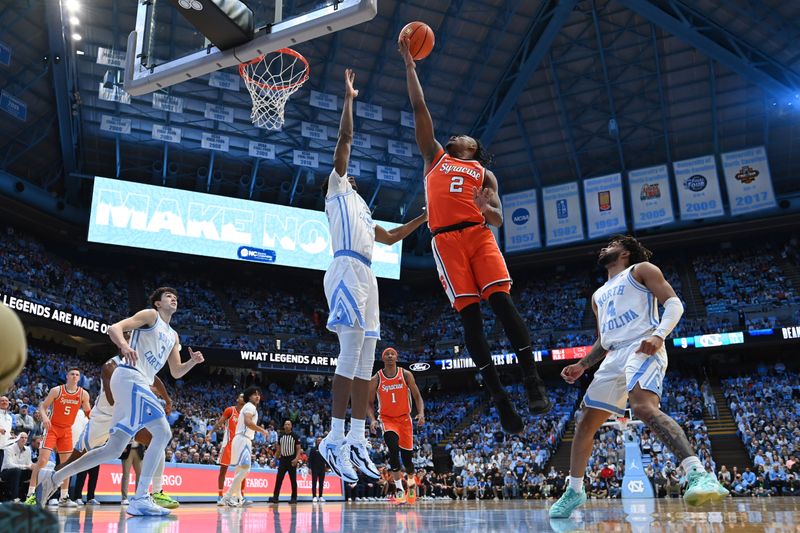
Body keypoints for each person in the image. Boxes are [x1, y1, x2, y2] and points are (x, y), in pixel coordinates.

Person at [398, 36, 550, 435]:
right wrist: (410, 66)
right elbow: (419, 107)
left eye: (467, 136)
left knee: (502, 302)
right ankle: (500, 397)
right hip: (446, 241)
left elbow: (499, 219)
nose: (459, 135)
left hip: (479, 235)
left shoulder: (486, 174)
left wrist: (488, 209)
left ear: (475, 148)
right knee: (471, 319)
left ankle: (531, 379)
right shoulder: (435, 157)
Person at [549, 236, 729, 518]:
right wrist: (583, 364)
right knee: (584, 421)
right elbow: (604, 340)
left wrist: (659, 335)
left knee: (643, 407)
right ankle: (574, 490)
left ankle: (699, 475)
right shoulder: (597, 296)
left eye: (611, 244)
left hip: (642, 344)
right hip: (613, 356)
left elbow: (674, 304)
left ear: (626, 252)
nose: (604, 248)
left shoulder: (641, 270)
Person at [318, 68, 428, 483]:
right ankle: (332, 436)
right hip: (345, 266)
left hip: (368, 275)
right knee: (350, 352)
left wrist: (424, 216)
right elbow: (344, 141)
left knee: (366, 357)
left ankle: (357, 438)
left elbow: (395, 235)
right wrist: (349, 100)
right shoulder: (338, 188)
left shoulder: (364, 210)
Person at [35, 287, 204, 516]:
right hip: (128, 377)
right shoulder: (150, 316)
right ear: (157, 303)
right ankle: (141, 498)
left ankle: (54, 478)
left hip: (137, 383)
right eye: (168, 296)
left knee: (113, 450)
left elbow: (175, 372)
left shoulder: (173, 336)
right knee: (162, 432)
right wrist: (124, 346)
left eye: (175, 296)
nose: (173, 298)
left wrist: (192, 362)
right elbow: (114, 328)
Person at [48, 354, 177, 509]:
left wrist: (167, 399)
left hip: (125, 413)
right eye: (127, 336)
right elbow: (111, 399)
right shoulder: (110, 366)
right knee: (75, 457)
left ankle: (157, 492)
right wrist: (143, 389)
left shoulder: (139, 362)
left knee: (157, 438)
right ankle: (51, 482)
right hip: (104, 416)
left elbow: (155, 379)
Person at [366, 347, 425, 505]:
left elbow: (417, 396)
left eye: (393, 354)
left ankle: (411, 482)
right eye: (387, 354)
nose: (390, 356)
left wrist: (421, 413)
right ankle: (399, 489)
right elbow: (369, 403)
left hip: (405, 419)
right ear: (383, 358)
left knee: (408, 460)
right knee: (393, 449)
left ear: (396, 357)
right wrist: (372, 419)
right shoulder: (376, 378)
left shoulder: (405, 374)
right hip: (387, 419)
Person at [26, 367, 91, 507]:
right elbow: (42, 407)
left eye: (77, 375)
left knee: (65, 465)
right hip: (52, 428)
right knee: (42, 461)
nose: (74, 376)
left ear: (79, 378)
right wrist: (44, 418)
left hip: (67, 430)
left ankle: (64, 497)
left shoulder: (83, 394)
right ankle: (30, 495)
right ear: (67, 376)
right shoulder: (57, 390)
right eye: (72, 374)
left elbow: (89, 413)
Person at [222, 386, 266, 507]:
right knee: (246, 469)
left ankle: (239, 498)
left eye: (258, 394)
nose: (257, 396)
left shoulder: (247, 407)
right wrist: (262, 430)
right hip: (243, 439)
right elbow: (248, 422)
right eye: (254, 394)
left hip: (238, 438)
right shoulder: (250, 406)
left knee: (239, 470)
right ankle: (228, 496)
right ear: (249, 397)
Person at [209, 393, 246, 505]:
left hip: (240, 445)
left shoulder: (246, 414)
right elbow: (220, 422)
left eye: (245, 397)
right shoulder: (230, 410)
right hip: (229, 444)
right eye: (241, 396)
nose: (243, 398)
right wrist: (210, 432)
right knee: (223, 471)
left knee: (243, 471)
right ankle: (220, 495)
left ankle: (242, 497)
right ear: (237, 399)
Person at [270, 420, 303, 504]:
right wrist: (274, 461)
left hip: (292, 460)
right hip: (283, 460)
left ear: (291, 426)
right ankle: (275, 497)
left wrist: (296, 459)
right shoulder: (281, 436)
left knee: (293, 480)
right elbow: (278, 450)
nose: (287, 426)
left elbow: (298, 449)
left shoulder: (295, 436)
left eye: (288, 424)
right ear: (284, 426)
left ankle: (294, 498)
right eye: (286, 424)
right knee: (279, 479)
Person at [1, 432, 33, 501]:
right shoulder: (9, 448)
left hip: (20, 472)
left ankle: (31, 498)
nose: (24, 439)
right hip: (6, 472)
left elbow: (29, 463)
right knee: (16, 471)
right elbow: (9, 465)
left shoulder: (28, 449)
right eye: (22, 437)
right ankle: (14, 498)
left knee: (35, 471)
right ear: (17, 438)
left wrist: (33, 466)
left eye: (26, 438)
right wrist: (26, 466)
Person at [308, 437, 328, 502]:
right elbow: (310, 459)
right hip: (314, 469)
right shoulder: (313, 449)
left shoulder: (324, 449)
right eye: (318, 440)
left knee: (321, 483)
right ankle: (314, 496)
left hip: (322, 468)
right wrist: (310, 468)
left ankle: (320, 496)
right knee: (314, 483)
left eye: (320, 440)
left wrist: (327, 467)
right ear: (316, 441)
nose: (319, 441)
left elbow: (326, 459)